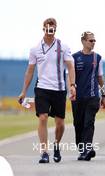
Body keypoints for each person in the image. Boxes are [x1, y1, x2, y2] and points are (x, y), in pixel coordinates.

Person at [18, 18, 76, 163]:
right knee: (42, 117)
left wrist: (72, 85)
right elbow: (30, 71)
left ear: (56, 29)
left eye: (53, 28)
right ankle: (44, 152)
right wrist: (24, 91)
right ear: (43, 28)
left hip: (59, 89)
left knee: (60, 123)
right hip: (42, 88)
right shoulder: (35, 49)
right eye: (48, 27)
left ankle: (56, 145)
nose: (50, 30)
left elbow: (70, 67)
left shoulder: (63, 46)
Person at [71, 31, 105, 161]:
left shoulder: (98, 58)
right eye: (91, 40)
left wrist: (103, 94)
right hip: (77, 98)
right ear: (83, 41)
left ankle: (88, 148)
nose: (93, 43)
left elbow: (100, 77)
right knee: (78, 124)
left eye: (94, 40)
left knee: (89, 123)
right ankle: (82, 150)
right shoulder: (74, 57)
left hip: (92, 97)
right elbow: (70, 76)